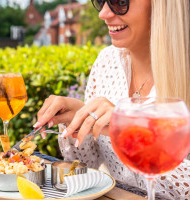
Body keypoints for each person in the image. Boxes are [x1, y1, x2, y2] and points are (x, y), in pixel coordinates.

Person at [34, 0, 190, 199]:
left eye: (120, 2)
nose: (104, 13)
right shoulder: (107, 61)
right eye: (101, 1)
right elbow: (87, 165)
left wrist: (130, 133)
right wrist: (78, 121)